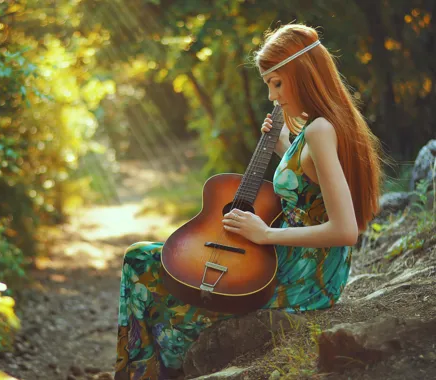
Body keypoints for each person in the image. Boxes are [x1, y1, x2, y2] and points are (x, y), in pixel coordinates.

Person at [114, 23, 384, 380]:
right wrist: (281, 145)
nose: (273, 96)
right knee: (145, 258)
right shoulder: (314, 128)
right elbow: (308, 185)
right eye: (268, 85)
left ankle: (151, 373)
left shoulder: (321, 130)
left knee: (142, 263)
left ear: (303, 74)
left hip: (304, 274)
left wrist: (264, 235)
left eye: (277, 82)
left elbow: (346, 230)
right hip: (286, 255)